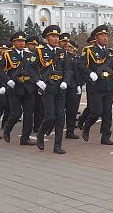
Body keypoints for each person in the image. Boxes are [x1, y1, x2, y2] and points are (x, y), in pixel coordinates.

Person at [77, 25, 113, 145]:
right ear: (96, 38)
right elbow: (80, 65)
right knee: (96, 112)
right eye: (102, 35)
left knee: (107, 113)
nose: (105, 38)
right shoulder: (89, 51)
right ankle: (86, 126)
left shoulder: (111, 52)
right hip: (95, 86)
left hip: (108, 86)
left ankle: (106, 137)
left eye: (106, 35)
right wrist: (90, 72)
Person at [32, 25, 73, 154]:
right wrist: (38, 81)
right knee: (50, 116)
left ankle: (57, 145)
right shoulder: (39, 52)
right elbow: (28, 68)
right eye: (53, 36)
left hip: (60, 88)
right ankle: (41, 134)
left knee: (61, 117)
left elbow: (67, 69)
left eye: (57, 36)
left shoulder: (63, 52)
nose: (56, 39)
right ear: (47, 38)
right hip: (48, 87)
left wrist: (66, 81)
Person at [0, 31, 38, 146]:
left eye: (23, 41)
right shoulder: (8, 55)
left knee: (29, 114)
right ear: (13, 43)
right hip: (15, 88)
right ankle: (7, 129)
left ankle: (25, 138)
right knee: (16, 113)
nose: (22, 43)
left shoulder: (30, 55)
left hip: (28, 87)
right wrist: (7, 80)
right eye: (19, 41)